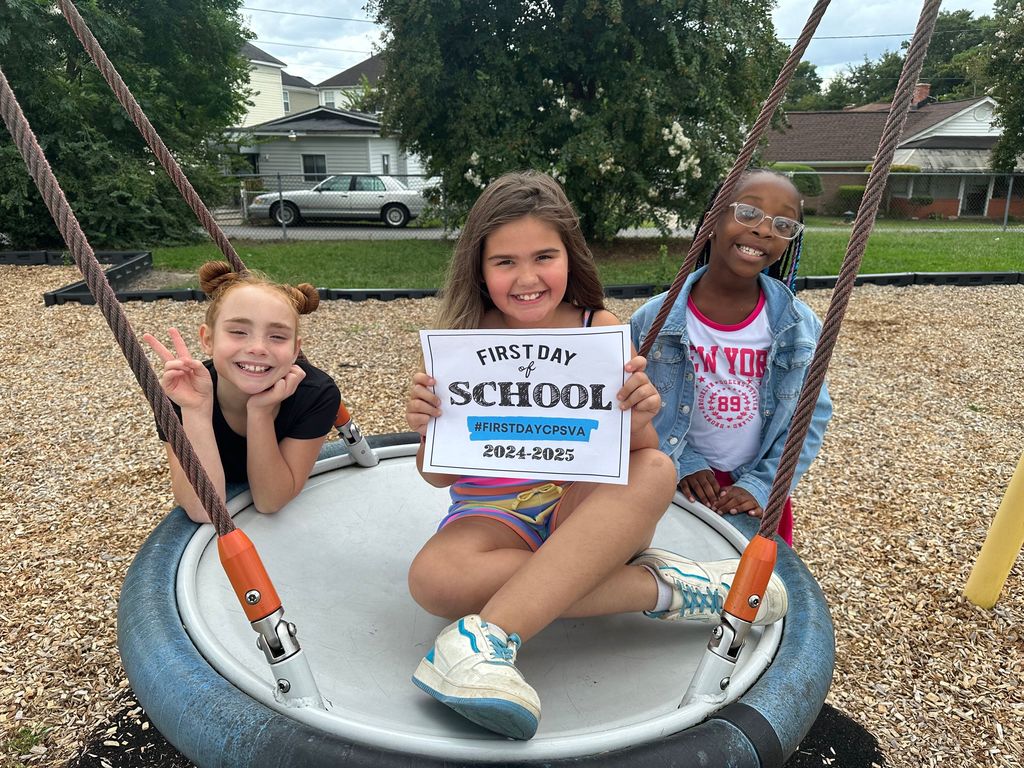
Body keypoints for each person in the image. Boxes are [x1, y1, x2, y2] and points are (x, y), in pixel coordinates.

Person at [404, 171, 787, 741]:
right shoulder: (461, 340)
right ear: (479, 269)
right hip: (490, 516)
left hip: (582, 510)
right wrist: (426, 427)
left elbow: (639, 455)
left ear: (570, 256)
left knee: (655, 468)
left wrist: (639, 414)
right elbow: (438, 476)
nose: (527, 278)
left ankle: (484, 640)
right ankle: (668, 588)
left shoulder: (598, 328)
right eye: (505, 262)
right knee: (432, 582)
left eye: (544, 257)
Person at [631, 168, 833, 547]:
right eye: (748, 212)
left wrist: (762, 484)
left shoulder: (799, 326)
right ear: (712, 220)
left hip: (757, 491)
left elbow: (811, 416)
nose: (764, 230)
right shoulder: (655, 319)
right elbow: (633, 403)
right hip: (674, 481)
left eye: (783, 224)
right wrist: (684, 462)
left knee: (755, 578)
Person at [144, 261, 341, 523]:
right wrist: (195, 410)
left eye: (277, 336)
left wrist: (260, 413)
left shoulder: (316, 395)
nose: (258, 348)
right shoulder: (182, 392)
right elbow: (203, 510)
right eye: (238, 332)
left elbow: (270, 501)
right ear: (208, 340)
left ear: (295, 350)